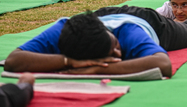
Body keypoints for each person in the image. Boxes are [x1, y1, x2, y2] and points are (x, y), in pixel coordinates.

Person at [4, 11, 172, 78]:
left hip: (152, 23)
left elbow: (163, 64)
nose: (118, 54)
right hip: (105, 16)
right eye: (109, 55)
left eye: (116, 45)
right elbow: (13, 61)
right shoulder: (65, 31)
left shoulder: (127, 33)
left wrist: (99, 69)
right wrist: (69, 62)